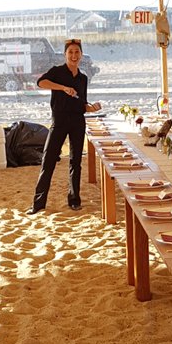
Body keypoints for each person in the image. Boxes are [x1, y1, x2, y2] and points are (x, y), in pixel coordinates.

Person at [27, 38, 101, 215]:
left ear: (81, 55)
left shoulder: (83, 78)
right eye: (71, 52)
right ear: (65, 54)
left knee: (76, 162)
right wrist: (62, 88)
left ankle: (74, 200)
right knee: (48, 161)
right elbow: (40, 83)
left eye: (77, 52)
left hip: (77, 122)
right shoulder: (57, 72)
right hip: (59, 122)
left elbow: (82, 103)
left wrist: (91, 108)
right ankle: (38, 204)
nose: (74, 55)